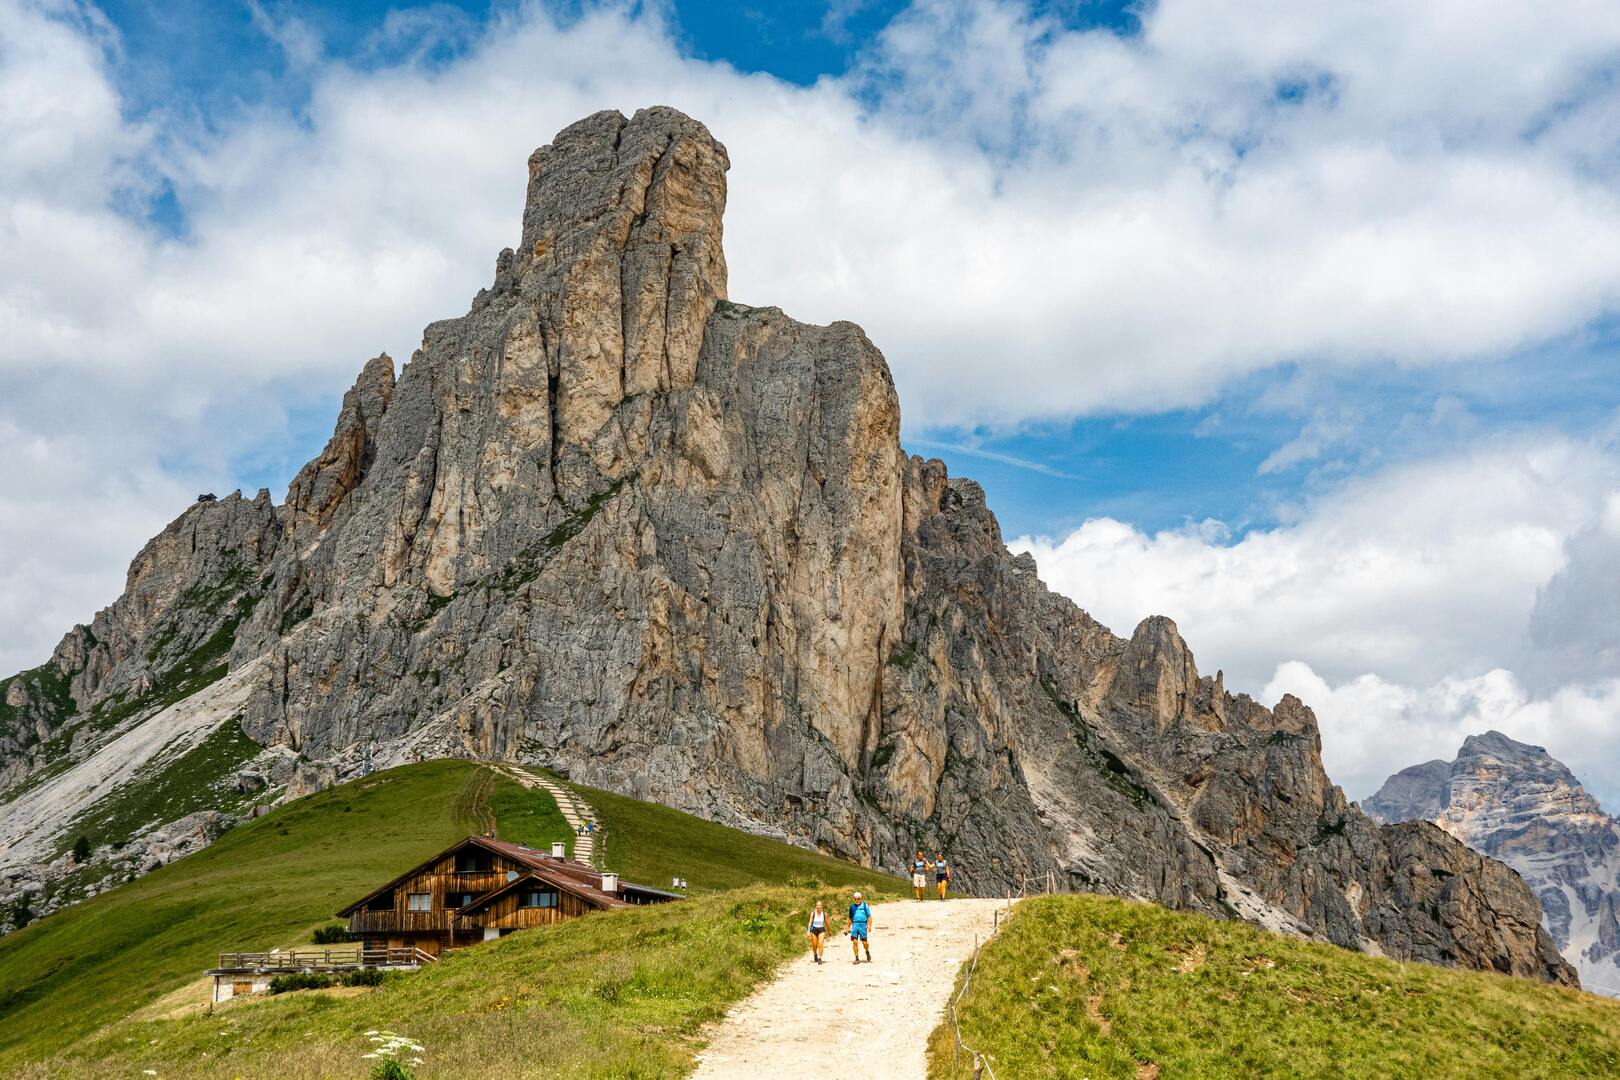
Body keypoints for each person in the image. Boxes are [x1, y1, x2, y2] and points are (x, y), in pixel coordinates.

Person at [848, 891, 872, 963]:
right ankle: (857, 958)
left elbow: (869, 917)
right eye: (855, 899)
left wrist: (869, 926)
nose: (856, 900)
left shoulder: (865, 906)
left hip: (863, 925)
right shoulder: (852, 907)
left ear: (861, 898)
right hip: (855, 925)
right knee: (855, 942)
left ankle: (867, 951)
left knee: (864, 943)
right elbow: (850, 918)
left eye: (858, 899)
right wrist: (848, 927)